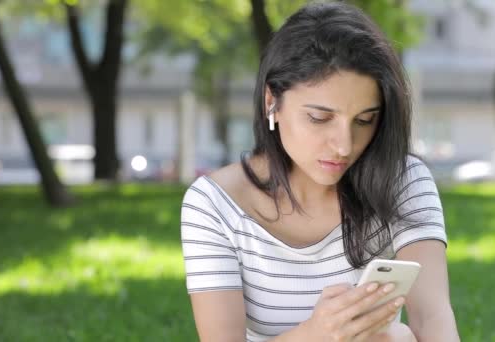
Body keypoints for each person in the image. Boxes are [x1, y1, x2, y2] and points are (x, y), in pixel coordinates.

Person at [180, 2, 460, 341]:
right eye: (319, 118)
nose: (344, 145)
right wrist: (315, 334)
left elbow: (432, 319)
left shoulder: (403, 180)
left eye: (364, 120)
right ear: (272, 102)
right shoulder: (214, 204)